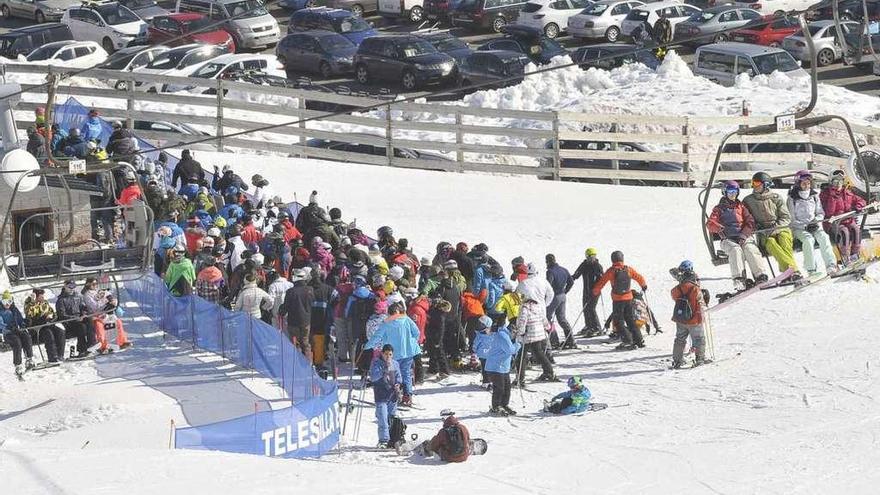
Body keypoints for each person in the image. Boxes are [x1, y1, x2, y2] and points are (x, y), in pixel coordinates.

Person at [706, 180, 768, 290]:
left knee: (750, 248)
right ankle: (739, 279)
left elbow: (750, 221)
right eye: (730, 191)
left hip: (743, 237)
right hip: (727, 239)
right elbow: (710, 223)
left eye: (734, 191)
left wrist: (744, 235)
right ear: (724, 192)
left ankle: (760, 275)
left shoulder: (741, 207)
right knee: (735, 250)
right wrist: (720, 228)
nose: (732, 194)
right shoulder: (719, 209)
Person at [742, 171, 801, 281]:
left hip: (780, 228)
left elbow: (786, 217)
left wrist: (776, 227)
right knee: (771, 243)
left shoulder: (776, 198)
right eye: (753, 183)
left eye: (757, 183)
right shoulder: (748, 200)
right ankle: (793, 271)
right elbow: (748, 220)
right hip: (764, 232)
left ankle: (789, 271)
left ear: (766, 185)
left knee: (784, 239)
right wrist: (758, 228)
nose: (754, 186)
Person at [365, 302, 421, 407]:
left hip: (392, 354)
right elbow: (417, 333)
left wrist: (367, 346)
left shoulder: (386, 323)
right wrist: (411, 341)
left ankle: (394, 395)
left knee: (393, 375)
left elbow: (377, 336)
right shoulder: (407, 320)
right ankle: (407, 396)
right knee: (406, 374)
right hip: (408, 352)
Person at [592, 250, 647, 350]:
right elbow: (639, 277)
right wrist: (643, 285)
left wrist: (595, 292)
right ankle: (639, 340)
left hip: (618, 300)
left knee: (618, 322)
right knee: (630, 320)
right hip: (629, 298)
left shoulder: (611, 271)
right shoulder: (628, 269)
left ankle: (627, 341)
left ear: (612, 259)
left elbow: (602, 282)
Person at [787, 170, 839, 275]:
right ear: (798, 184)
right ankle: (811, 269)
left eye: (808, 183)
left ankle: (831, 265)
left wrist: (816, 222)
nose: (807, 186)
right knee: (808, 240)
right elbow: (791, 219)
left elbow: (820, 212)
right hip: (800, 228)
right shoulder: (792, 199)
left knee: (824, 237)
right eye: (804, 183)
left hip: (814, 226)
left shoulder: (814, 196)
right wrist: (805, 226)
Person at [474, 316, 520, 416]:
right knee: (499, 387)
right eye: (514, 329)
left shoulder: (506, 335)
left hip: (503, 367)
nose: (515, 331)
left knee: (507, 387)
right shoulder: (502, 335)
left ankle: (504, 404)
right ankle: (496, 406)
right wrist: (518, 344)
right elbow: (510, 350)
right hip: (495, 367)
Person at [820, 169, 867, 265]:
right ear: (831, 182)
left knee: (856, 230)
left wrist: (858, 205)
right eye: (835, 181)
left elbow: (861, 200)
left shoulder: (847, 192)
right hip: (833, 222)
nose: (838, 184)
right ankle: (844, 256)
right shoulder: (825, 194)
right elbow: (829, 212)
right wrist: (833, 197)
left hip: (848, 219)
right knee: (845, 232)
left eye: (841, 181)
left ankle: (854, 255)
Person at [670, 260, 710, 369]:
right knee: (699, 339)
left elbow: (674, 296)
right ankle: (700, 359)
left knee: (679, 339)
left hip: (681, 318)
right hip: (695, 320)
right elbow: (701, 303)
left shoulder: (678, 288)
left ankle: (677, 361)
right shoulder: (695, 289)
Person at [511, 297, 557, 383]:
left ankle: (520, 378)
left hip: (528, 335)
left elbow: (522, 322)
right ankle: (549, 372)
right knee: (539, 353)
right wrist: (547, 327)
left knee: (521, 356)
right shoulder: (538, 307)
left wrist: (520, 332)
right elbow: (544, 319)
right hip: (538, 334)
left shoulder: (524, 309)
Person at [370, 343, 402, 448]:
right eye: (386, 354)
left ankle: (392, 439)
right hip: (381, 395)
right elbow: (373, 378)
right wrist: (384, 369)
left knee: (391, 419)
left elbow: (399, 377)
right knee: (383, 419)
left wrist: (398, 383)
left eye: (390, 354)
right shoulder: (376, 363)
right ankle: (383, 440)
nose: (388, 357)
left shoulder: (395, 364)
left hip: (392, 396)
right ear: (382, 353)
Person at [280, 269, 315, 360]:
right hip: (306, 321)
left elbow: (285, 306)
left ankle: (296, 362)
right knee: (305, 342)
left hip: (293, 321)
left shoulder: (291, 291)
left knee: (295, 343)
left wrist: (281, 312)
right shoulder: (310, 290)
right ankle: (307, 363)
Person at [55, 280, 94, 358]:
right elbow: (62, 315)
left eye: (73, 287)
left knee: (90, 320)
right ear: (65, 286)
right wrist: (76, 318)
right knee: (81, 327)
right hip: (69, 322)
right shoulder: (61, 300)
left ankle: (91, 344)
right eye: (70, 287)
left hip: (79, 318)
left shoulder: (78, 296)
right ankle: (82, 350)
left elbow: (83, 307)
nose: (72, 289)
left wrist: (84, 313)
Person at [24, 288, 64, 363]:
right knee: (48, 333)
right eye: (40, 296)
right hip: (37, 327)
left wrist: (51, 317)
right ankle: (52, 357)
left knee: (60, 331)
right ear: (36, 297)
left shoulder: (44, 303)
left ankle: (60, 355)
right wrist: (33, 302)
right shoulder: (29, 303)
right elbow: (29, 314)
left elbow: (52, 312)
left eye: (43, 296)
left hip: (47, 323)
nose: (43, 298)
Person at [545, 254, 575, 349]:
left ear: (547, 261)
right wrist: (565, 291)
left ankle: (554, 341)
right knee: (562, 318)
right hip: (562, 296)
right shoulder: (563, 269)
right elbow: (571, 281)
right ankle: (570, 340)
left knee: (547, 318)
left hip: (554, 297)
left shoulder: (550, 271)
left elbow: (548, 285)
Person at [572, 247, 604, 337]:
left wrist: (596, 289)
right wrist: (570, 278)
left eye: (593, 256)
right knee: (585, 309)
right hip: (586, 290)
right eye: (590, 256)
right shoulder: (584, 265)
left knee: (591, 308)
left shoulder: (597, 266)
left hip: (595, 291)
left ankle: (597, 328)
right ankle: (588, 326)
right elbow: (576, 274)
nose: (591, 258)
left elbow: (602, 279)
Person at [1, 291, 33, 375]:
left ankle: (29, 359)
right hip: (7, 333)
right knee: (17, 342)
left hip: (17, 330)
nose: (7, 304)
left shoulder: (14, 309)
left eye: (9, 301)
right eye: (5, 302)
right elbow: (1, 324)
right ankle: (18, 365)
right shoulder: (0, 311)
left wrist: (24, 323)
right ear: (1, 301)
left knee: (26, 337)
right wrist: (9, 327)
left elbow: (20, 319)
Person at [424, 298, 452, 379]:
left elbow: (440, 330)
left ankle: (441, 370)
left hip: (433, 336)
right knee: (436, 354)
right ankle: (437, 369)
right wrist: (438, 341)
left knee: (437, 354)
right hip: (434, 336)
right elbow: (440, 330)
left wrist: (438, 341)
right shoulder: (439, 315)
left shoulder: (436, 313)